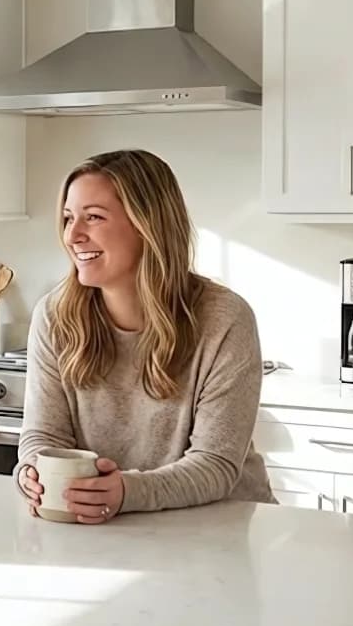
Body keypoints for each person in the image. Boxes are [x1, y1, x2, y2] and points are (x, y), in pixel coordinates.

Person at [16, 150, 271, 524]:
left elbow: (216, 464)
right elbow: (42, 437)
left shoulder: (224, 319)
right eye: (68, 218)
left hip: (223, 529)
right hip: (118, 530)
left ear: (147, 225)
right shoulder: (54, 316)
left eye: (94, 218)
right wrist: (32, 473)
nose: (73, 235)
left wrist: (127, 493)